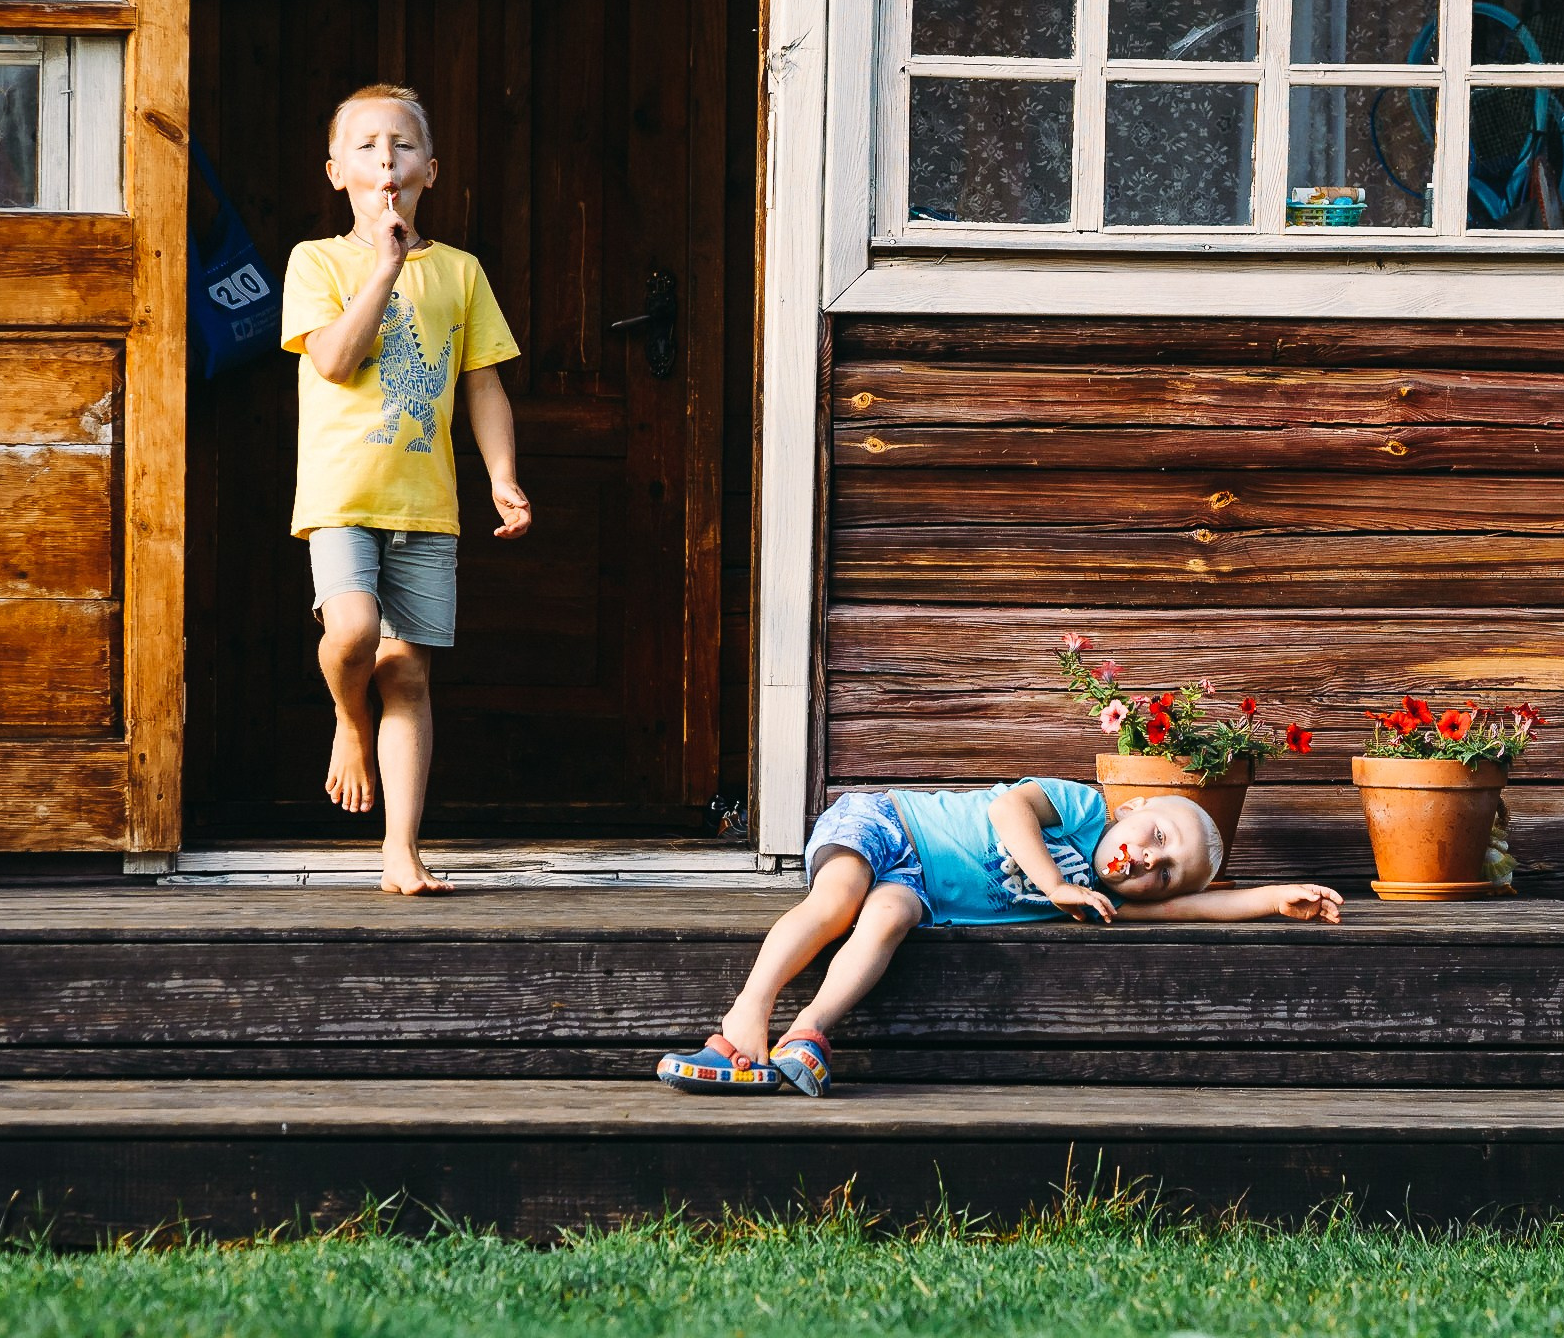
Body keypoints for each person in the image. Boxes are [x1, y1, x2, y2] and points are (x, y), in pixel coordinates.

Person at [661, 780, 1345, 1095]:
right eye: (1156, 838)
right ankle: (745, 1016)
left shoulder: (1098, 901)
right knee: (837, 900)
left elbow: (1190, 911)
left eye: (1162, 873)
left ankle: (807, 1031)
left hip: (918, 889)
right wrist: (1052, 881)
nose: (1145, 860)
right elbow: (1008, 807)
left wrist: (1273, 898)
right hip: (887, 823)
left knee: (888, 919)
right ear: (1133, 808)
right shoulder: (1082, 809)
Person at [280, 83, 528, 894]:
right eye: (366, 146)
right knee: (352, 634)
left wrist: (501, 477)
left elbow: (485, 385)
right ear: (335, 172)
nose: (385, 158)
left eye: (403, 145)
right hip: (342, 496)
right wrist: (385, 263)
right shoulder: (317, 261)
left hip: (426, 503)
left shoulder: (459, 272)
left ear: (430, 170)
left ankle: (399, 849)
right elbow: (334, 358)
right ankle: (348, 723)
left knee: (410, 674)